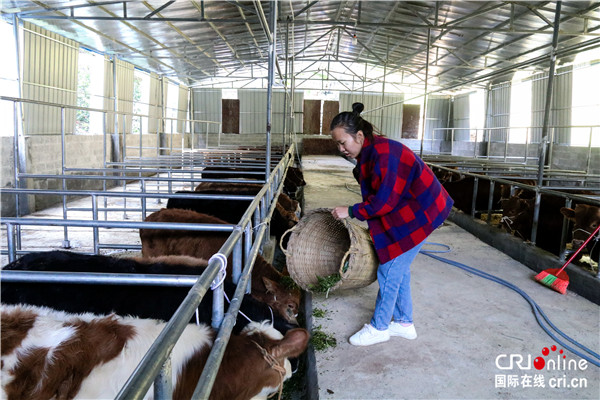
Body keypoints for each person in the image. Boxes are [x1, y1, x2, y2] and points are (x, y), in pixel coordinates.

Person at [330, 102, 454, 346]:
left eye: (343, 142)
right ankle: (405, 323)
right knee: (398, 267)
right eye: (337, 143)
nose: (341, 148)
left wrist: (352, 211)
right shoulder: (369, 153)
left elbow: (383, 202)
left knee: (389, 269)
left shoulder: (385, 155)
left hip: (422, 210)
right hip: (408, 207)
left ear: (359, 136)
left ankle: (379, 326)